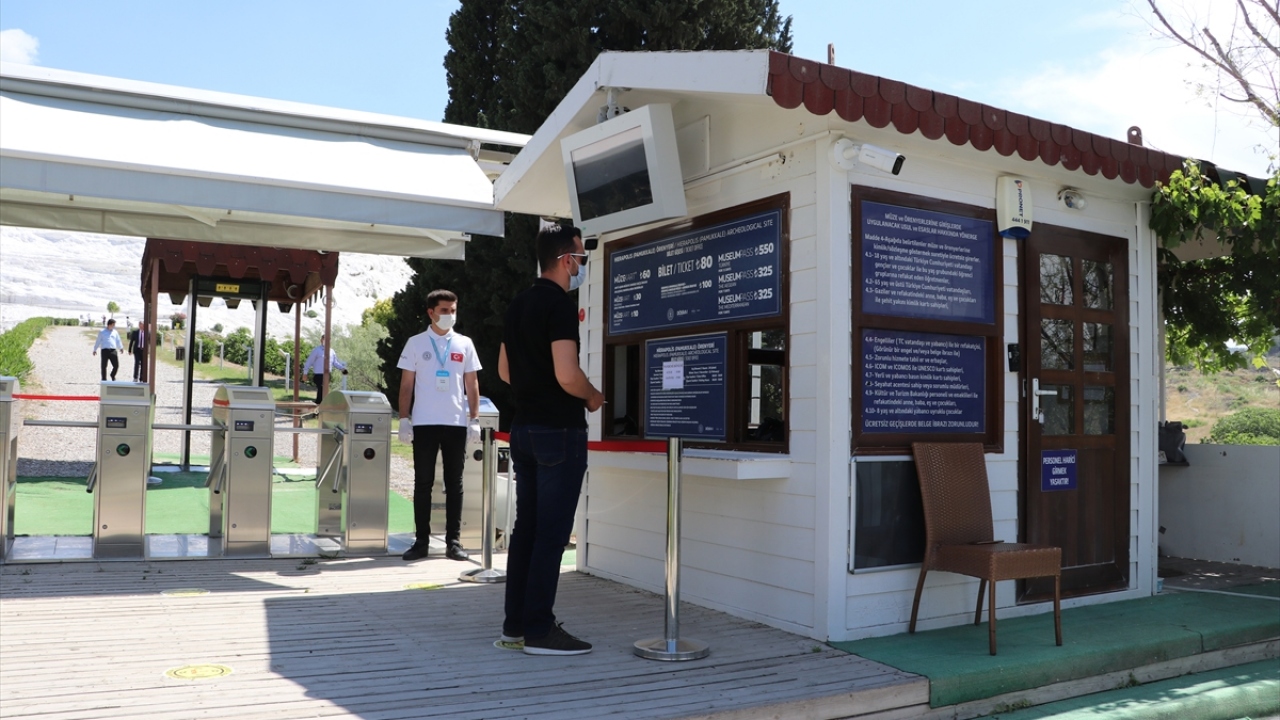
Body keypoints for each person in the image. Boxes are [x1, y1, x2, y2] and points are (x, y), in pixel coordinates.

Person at [496, 224, 604, 656]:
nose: (581, 265)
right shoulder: (559, 306)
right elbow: (567, 373)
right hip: (559, 431)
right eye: (580, 257)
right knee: (551, 535)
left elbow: (504, 372)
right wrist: (593, 395)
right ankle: (540, 630)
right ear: (566, 260)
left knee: (527, 530)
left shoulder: (518, 303)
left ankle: (516, 626)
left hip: (522, 428)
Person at [396, 289, 482, 563]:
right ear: (431, 312)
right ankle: (421, 541)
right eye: (444, 310)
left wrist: (475, 419)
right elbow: (406, 384)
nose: (450, 315)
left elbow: (472, 384)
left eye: (453, 310)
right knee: (422, 483)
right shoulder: (415, 343)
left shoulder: (465, 343)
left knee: (454, 484)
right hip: (424, 422)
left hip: (456, 423)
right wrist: (404, 418)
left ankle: (453, 542)